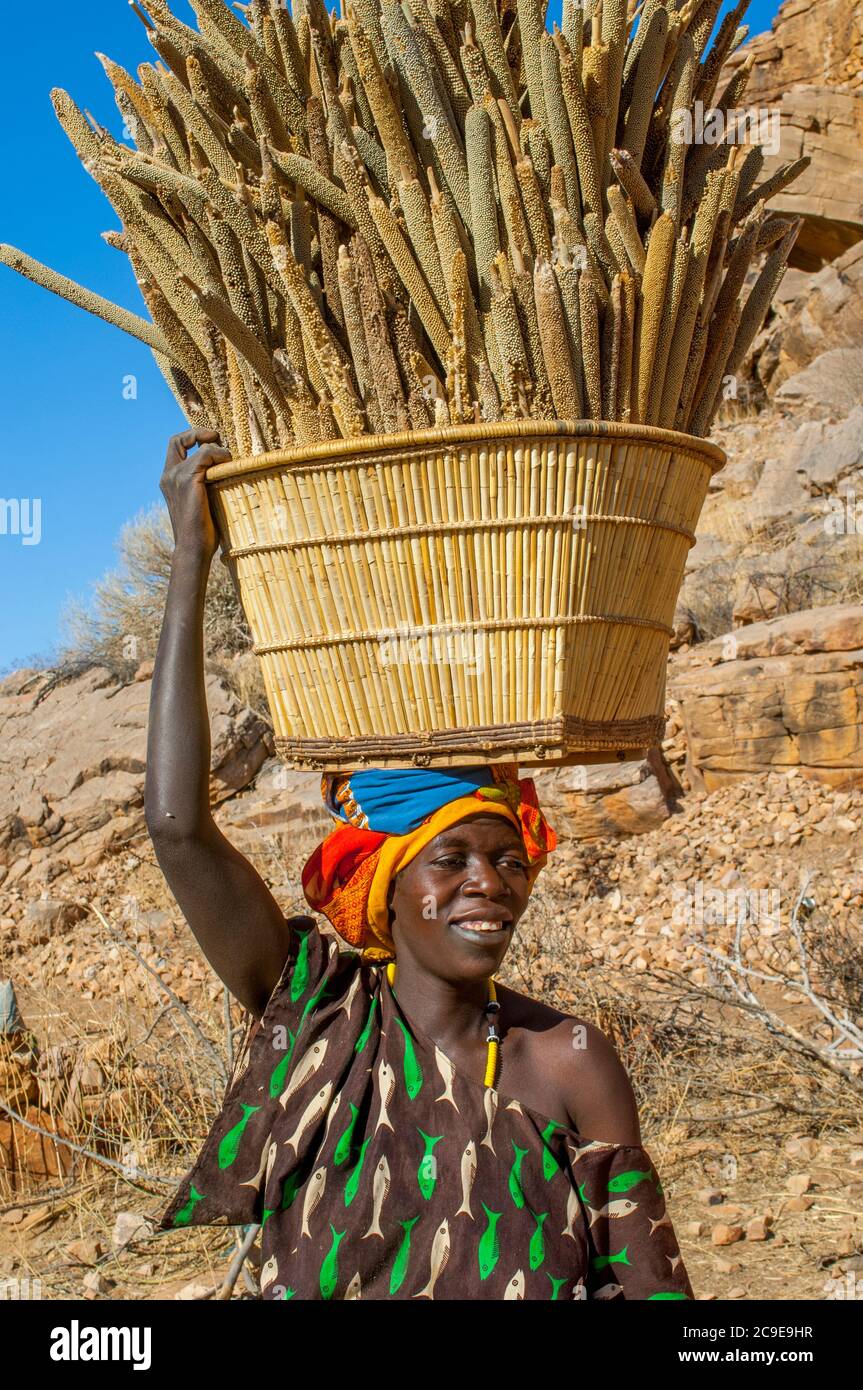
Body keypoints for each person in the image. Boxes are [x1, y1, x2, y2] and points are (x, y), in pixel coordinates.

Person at [146, 429, 695, 1301]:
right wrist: (190, 558)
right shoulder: (325, 1019)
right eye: (452, 859)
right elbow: (178, 830)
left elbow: (652, 1296)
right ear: (385, 885)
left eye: (509, 859)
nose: (490, 883)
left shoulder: (567, 1063)